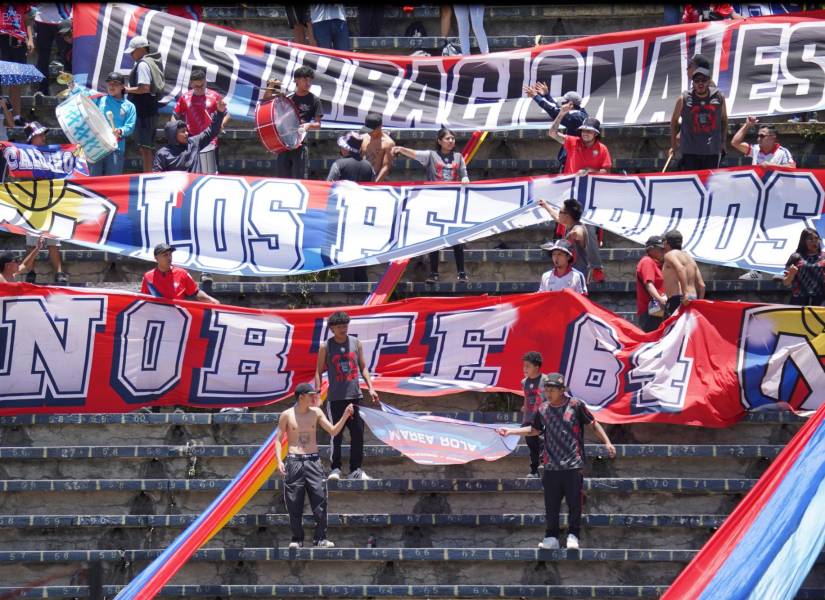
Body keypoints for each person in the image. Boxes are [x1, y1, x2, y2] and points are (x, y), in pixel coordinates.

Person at [497, 372, 616, 551]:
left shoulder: (575, 405)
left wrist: (607, 442)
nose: (549, 393)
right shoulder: (543, 409)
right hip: (551, 466)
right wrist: (511, 431)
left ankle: (573, 535)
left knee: (574, 503)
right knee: (551, 505)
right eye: (547, 389)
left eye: (553, 389)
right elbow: (534, 430)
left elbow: (593, 424)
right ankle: (551, 537)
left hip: (573, 465)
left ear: (562, 390)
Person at [276, 382, 354, 549]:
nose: (314, 397)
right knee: (293, 502)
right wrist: (278, 460)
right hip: (294, 460)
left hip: (313, 460)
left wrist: (346, 415)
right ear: (301, 397)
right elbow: (278, 439)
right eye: (311, 395)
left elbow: (333, 431)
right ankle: (297, 539)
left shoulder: (316, 412)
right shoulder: (286, 415)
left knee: (320, 500)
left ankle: (320, 538)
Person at [392, 127, 470, 283]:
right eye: (447, 139)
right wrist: (400, 148)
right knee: (435, 238)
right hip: (435, 202)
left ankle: (461, 273)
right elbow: (414, 154)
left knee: (457, 239)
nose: (451, 141)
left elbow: (464, 174)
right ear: (439, 141)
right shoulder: (431, 156)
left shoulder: (458, 157)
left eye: (453, 139)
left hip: (452, 202)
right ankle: (434, 273)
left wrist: (465, 179)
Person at [314, 311, 379, 481]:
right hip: (336, 398)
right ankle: (335, 469)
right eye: (339, 327)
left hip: (355, 396)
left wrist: (371, 387)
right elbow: (318, 372)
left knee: (358, 434)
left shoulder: (356, 343)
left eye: (345, 326)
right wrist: (317, 393)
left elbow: (363, 367)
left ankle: (355, 470)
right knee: (336, 434)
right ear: (332, 329)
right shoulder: (325, 347)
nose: (343, 329)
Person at [20, 121, 67, 284]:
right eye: (39, 135)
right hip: (32, 203)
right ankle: (30, 271)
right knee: (32, 241)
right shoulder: (23, 156)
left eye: (43, 135)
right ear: (32, 139)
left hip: (51, 200)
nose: (43, 137)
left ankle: (59, 272)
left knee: (54, 240)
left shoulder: (51, 154)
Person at [328, 131, 374, 284]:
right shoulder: (369, 167)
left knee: (345, 252)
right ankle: (362, 284)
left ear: (345, 148)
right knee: (360, 254)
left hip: (343, 215)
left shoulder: (339, 164)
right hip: (362, 215)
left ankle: (346, 285)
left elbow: (328, 187)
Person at [264, 67, 322, 180]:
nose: (308, 83)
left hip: (300, 142)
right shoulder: (287, 97)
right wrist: (271, 86)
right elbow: (266, 100)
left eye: (310, 80)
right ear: (296, 80)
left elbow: (318, 124)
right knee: (283, 178)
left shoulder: (315, 100)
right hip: (283, 142)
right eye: (305, 80)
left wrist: (308, 125)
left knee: (300, 178)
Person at [172, 67, 230, 174]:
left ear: (206, 82)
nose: (199, 89)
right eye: (196, 86)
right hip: (191, 140)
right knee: (191, 172)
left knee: (210, 173)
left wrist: (221, 124)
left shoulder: (214, 96)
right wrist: (174, 132)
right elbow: (174, 116)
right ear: (191, 84)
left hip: (209, 139)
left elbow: (227, 114)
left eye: (202, 86)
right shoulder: (185, 97)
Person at [670, 66, 727, 171]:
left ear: (709, 81)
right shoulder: (684, 98)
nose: (700, 83)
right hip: (690, 151)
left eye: (704, 80)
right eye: (697, 81)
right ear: (693, 83)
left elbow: (724, 120)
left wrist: (723, 142)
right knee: (691, 185)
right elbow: (674, 121)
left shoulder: (719, 97)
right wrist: (673, 145)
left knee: (709, 185)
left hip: (711, 151)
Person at [537, 198, 604, 283]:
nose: (558, 214)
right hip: (569, 275)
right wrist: (546, 206)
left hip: (577, 279)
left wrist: (573, 234)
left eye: (560, 212)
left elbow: (578, 232)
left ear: (567, 216)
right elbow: (555, 216)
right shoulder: (567, 223)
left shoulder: (578, 227)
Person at [522, 86, 587, 173]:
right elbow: (557, 107)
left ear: (570, 104)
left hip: (572, 163)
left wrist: (536, 96)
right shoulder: (582, 113)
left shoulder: (574, 117)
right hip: (577, 160)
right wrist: (546, 95)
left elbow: (553, 110)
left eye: (564, 102)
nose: (562, 104)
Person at [153, 98, 227, 173]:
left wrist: (219, 113)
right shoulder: (162, 154)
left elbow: (211, 131)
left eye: (186, 131)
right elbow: (156, 176)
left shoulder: (194, 143)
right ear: (173, 135)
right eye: (183, 132)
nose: (187, 133)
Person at [124, 35, 163, 173]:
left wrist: (126, 90)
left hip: (145, 111)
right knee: (146, 147)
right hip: (149, 110)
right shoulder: (150, 62)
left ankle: (148, 176)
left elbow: (144, 88)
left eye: (133, 51)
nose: (131, 55)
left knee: (146, 148)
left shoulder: (142, 65)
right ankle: (149, 174)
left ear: (141, 50)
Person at [89, 72, 136, 176]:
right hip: (97, 147)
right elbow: (82, 95)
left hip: (116, 148)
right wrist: (71, 84)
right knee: (93, 182)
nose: (111, 86)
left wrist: (120, 131)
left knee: (111, 182)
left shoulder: (130, 106)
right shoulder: (99, 99)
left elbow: (130, 126)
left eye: (115, 83)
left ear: (123, 86)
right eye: (109, 83)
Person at [140, 243, 219, 303]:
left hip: (178, 317)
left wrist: (212, 301)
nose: (169, 258)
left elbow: (195, 292)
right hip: (157, 317)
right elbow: (143, 299)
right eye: (165, 255)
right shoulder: (148, 277)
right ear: (156, 258)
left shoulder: (182, 273)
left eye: (170, 254)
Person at [548, 106, 612, 176]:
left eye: (589, 131)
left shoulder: (603, 149)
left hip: (592, 185)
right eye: (583, 130)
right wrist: (561, 114)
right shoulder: (573, 141)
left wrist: (589, 170)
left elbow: (607, 171)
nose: (585, 133)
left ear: (596, 134)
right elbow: (552, 133)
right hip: (570, 184)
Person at [0, 3, 34, 125]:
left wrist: (30, 39)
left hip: (18, 40)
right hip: (2, 38)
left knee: (16, 80)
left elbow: (27, 20)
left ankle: (16, 116)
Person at [661, 229, 706, 318]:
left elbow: (680, 268)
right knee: (687, 331)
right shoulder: (690, 258)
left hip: (678, 299)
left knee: (671, 331)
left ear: (666, 242)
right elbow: (702, 285)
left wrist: (685, 293)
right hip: (693, 299)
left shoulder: (670, 255)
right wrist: (699, 301)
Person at [32, 3, 71, 97]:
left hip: (63, 20)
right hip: (41, 21)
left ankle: (71, 88)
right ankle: (42, 90)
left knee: (67, 57)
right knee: (42, 58)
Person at [782, 227, 825, 306]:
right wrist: (791, 274)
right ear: (803, 241)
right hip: (799, 299)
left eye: (816, 238)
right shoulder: (795, 257)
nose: (814, 242)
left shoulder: (823, 257)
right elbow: (786, 282)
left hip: (821, 299)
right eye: (810, 239)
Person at [731, 117, 795, 167]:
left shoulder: (782, 151)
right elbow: (735, 143)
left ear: (773, 136)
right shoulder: (755, 149)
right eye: (758, 136)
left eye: (762, 136)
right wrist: (747, 125)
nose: (758, 139)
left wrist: (772, 166)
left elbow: (792, 167)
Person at [635, 235, 668, 332]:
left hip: (658, 310)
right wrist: (660, 300)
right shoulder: (647, 262)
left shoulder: (658, 264)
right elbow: (649, 284)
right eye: (661, 249)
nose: (663, 252)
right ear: (651, 249)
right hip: (651, 311)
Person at [520, 351, 544, 479]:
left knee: (543, 444)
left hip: (542, 418)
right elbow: (526, 397)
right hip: (528, 418)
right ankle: (534, 470)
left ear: (536, 367)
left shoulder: (546, 380)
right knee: (531, 445)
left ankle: (545, 468)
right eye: (524, 366)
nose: (525, 369)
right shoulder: (524, 382)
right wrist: (525, 408)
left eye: (528, 366)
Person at [360, 112, 395, 182]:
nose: (369, 133)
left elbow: (386, 167)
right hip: (361, 179)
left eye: (371, 131)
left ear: (380, 127)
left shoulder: (388, 143)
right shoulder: (363, 138)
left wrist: (375, 184)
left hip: (377, 180)